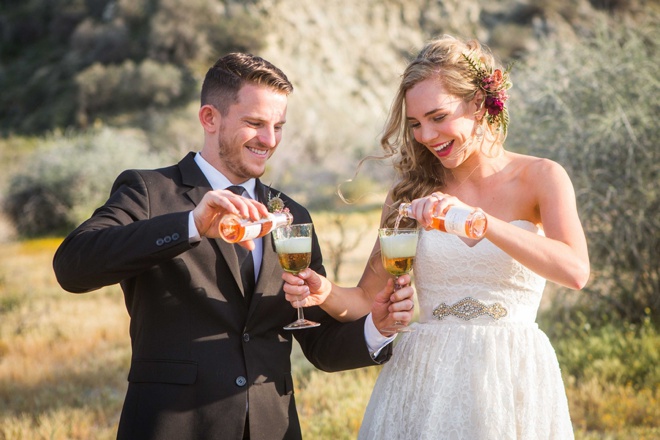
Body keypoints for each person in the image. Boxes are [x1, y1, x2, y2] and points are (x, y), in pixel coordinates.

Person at [52, 53, 415, 440]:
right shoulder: (150, 191)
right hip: (173, 428)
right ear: (210, 118)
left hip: (272, 429)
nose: (270, 140)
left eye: (278, 126)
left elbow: (319, 344)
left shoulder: (292, 213)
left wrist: (377, 328)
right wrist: (191, 225)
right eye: (255, 123)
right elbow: (73, 266)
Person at [282, 35, 590, 439]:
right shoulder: (408, 195)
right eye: (415, 124)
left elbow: (574, 270)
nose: (426, 135)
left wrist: (480, 223)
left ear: (478, 103)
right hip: (423, 374)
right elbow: (361, 302)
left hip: (511, 373)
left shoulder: (542, 177)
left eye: (437, 117)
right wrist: (322, 291)